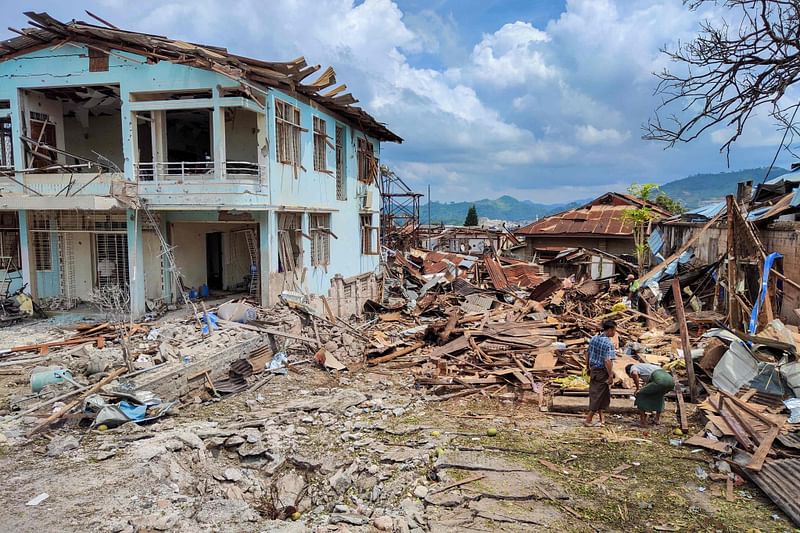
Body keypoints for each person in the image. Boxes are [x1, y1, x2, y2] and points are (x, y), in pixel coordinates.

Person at [584, 319, 617, 427]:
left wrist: (587, 367)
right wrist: (610, 375)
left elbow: (588, 353)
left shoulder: (594, 338)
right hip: (602, 371)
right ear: (610, 330)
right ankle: (588, 419)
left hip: (593, 369)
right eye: (614, 330)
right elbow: (607, 361)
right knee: (598, 395)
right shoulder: (608, 343)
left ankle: (602, 418)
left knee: (602, 394)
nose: (615, 333)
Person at [626, 363, 675, 427]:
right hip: (670, 380)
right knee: (659, 396)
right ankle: (657, 420)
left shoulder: (633, 367)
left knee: (640, 394)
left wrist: (638, 389)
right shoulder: (646, 367)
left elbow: (634, 373)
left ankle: (643, 422)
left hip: (659, 379)